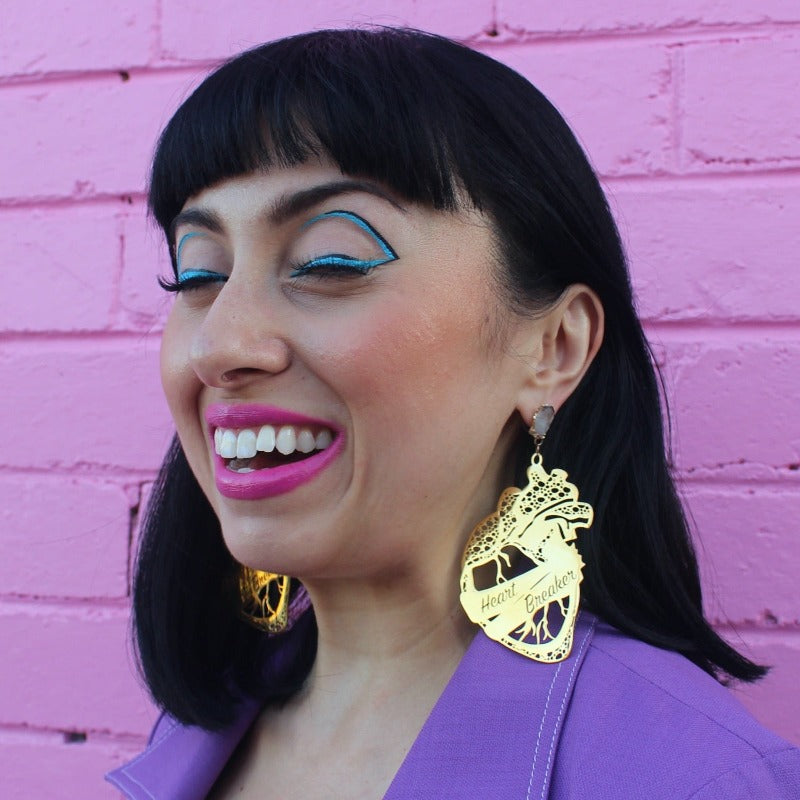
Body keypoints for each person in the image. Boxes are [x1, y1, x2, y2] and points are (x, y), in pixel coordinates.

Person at [106, 27, 800, 799]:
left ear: (554, 349)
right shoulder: (202, 725)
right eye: (198, 274)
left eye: (329, 262)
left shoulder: (698, 779)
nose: (219, 345)